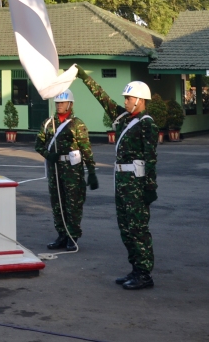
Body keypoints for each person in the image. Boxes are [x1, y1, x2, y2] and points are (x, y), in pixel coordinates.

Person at [76, 68, 158, 290]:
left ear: (140, 100)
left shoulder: (147, 124)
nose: (125, 100)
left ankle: (144, 273)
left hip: (136, 183)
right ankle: (135, 268)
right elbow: (102, 97)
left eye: (129, 97)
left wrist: (150, 186)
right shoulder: (123, 118)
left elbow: (151, 158)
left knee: (138, 228)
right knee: (125, 227)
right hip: (122, 182)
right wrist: (84, 76)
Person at [35, 90, 97, 252]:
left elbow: (86, 148)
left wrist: (91, 170)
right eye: (57, 103)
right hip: (54, 168)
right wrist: (49, 154)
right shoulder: (48, 124)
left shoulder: (77, 124)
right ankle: (61, 234)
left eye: (62, 103)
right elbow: (38, 144)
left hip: (72, 170)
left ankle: (72, 236)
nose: (59, 106)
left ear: (70, 104)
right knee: (57, 203)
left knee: (73, 203)